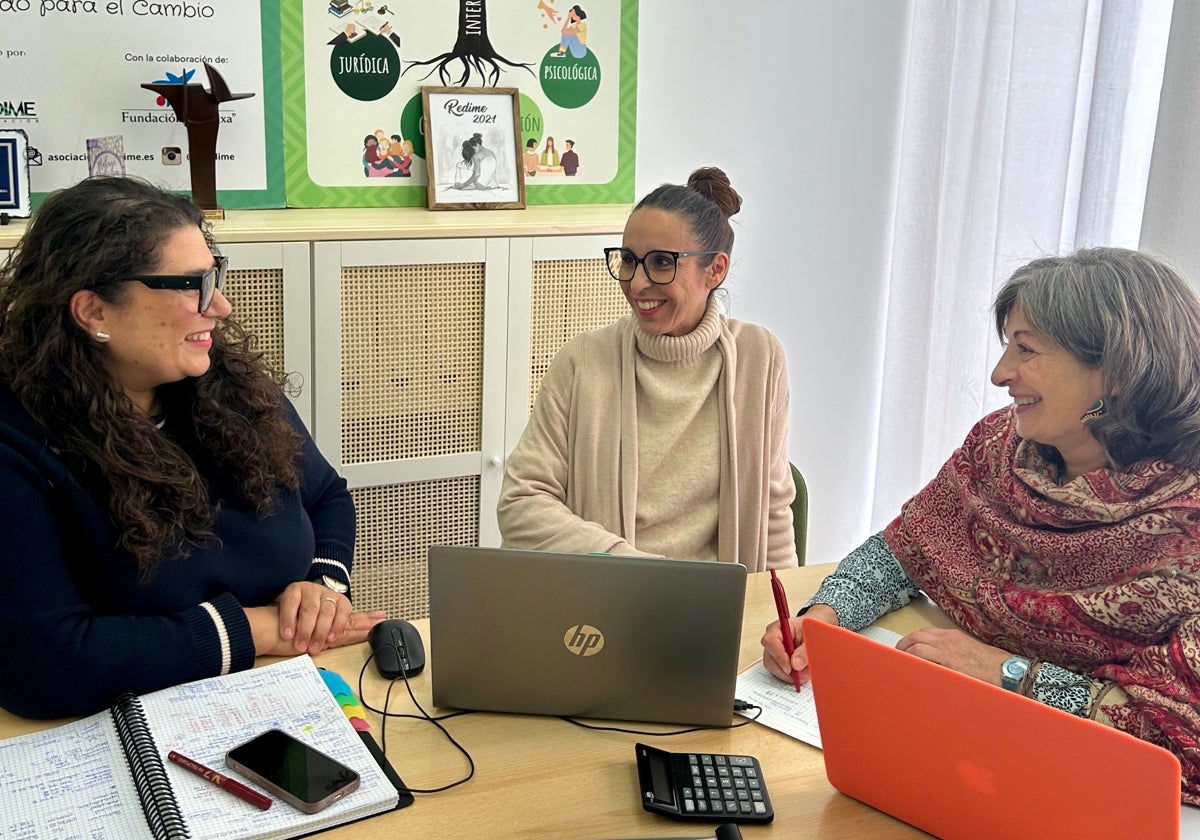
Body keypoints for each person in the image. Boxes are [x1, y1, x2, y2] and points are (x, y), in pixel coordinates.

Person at [761, 247, 1200, 802]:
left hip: (1088, 789)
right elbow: (907, 547)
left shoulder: (1188, 528)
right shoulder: (1000, 446)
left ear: (1113, 374)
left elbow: (1175, 737)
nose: (999, 375)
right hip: (967, 748)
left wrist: (1008, 674)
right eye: (1006, 347)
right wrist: (825, 617)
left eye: (1027, 350)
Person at [0, 177, 386, 719]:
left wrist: (320, 589)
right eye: (191, 286)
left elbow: (326, 496)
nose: (221, 307)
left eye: (214, 277)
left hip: (292, 683)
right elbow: (44, 666)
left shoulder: (227, 387)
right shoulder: (17, 441)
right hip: (132, 724)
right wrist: (257, 628)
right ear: (94, 312)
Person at [497, 167, 797, 572]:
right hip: (610, 603)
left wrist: (785, 612)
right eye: (629, 260)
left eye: (660, 263)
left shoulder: (759, 358)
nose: (637, 283)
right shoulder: (582, 362)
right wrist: (637, 570)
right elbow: (521, 504)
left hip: (718, 608)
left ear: (716, 269)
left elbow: (772, 510)